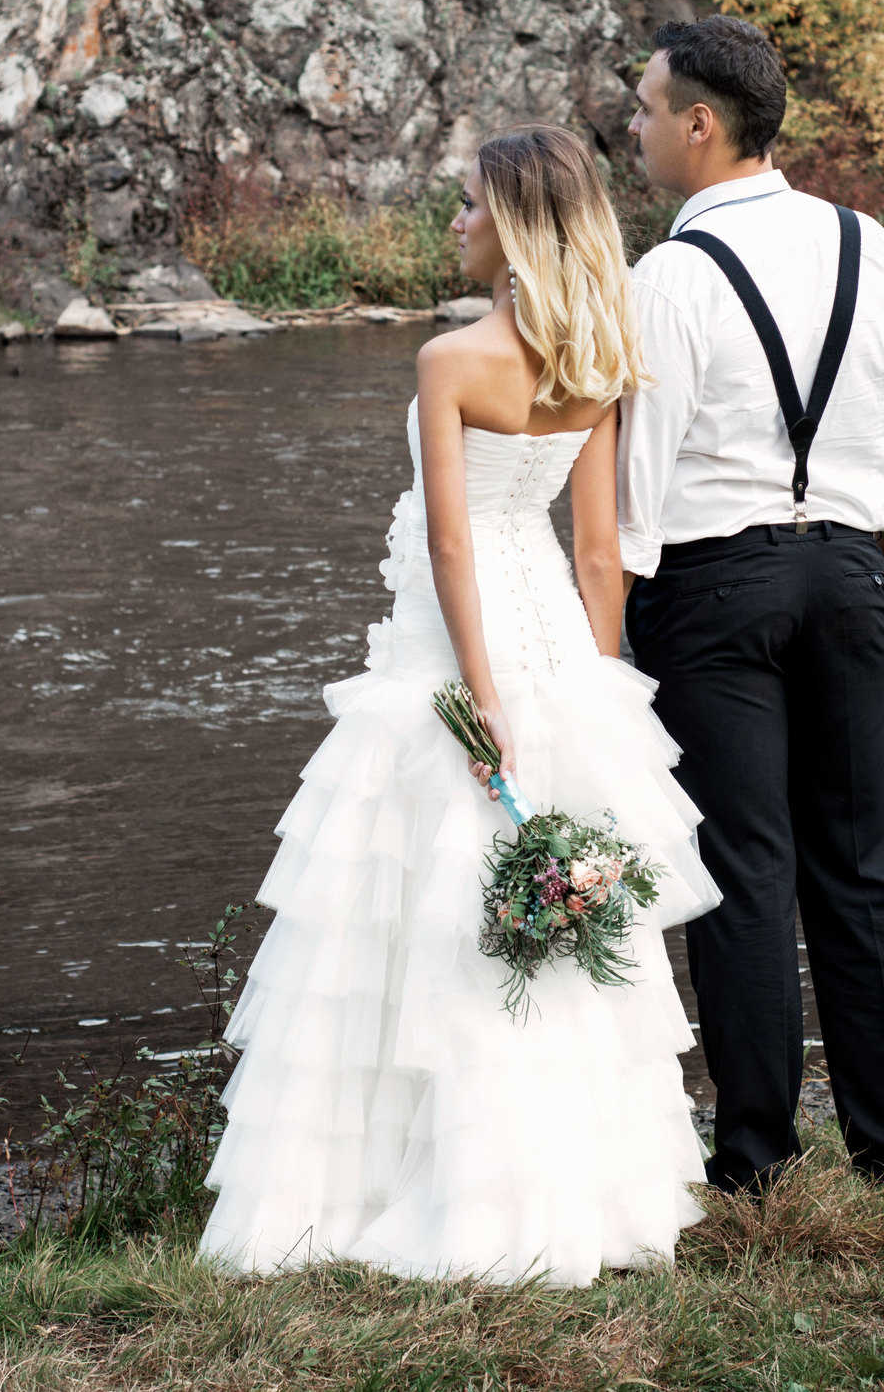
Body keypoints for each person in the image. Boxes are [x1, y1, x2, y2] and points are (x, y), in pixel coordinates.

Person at [199, 125, 723, 1286]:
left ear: (518, 224)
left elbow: (449, 542)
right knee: (549, 908)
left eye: (469, 205)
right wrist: (585, 692)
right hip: (556, 641)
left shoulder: (452, 359)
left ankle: (413, 1194)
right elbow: (597, 553)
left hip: (466, 642)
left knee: (427, 901)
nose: (455, 222)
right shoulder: (597, 355)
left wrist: (478, 700)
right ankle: (583, 1189)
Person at [616, 14, 884, 1189]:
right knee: (860, 864)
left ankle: (755, 1156)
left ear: (701, 126)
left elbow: (634, 486)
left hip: (712, 584)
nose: (637, 126)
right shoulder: (876, 248)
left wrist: (604, 643)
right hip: (850, 571)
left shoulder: (671, 274)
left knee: (743, 868)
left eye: (648, 108)